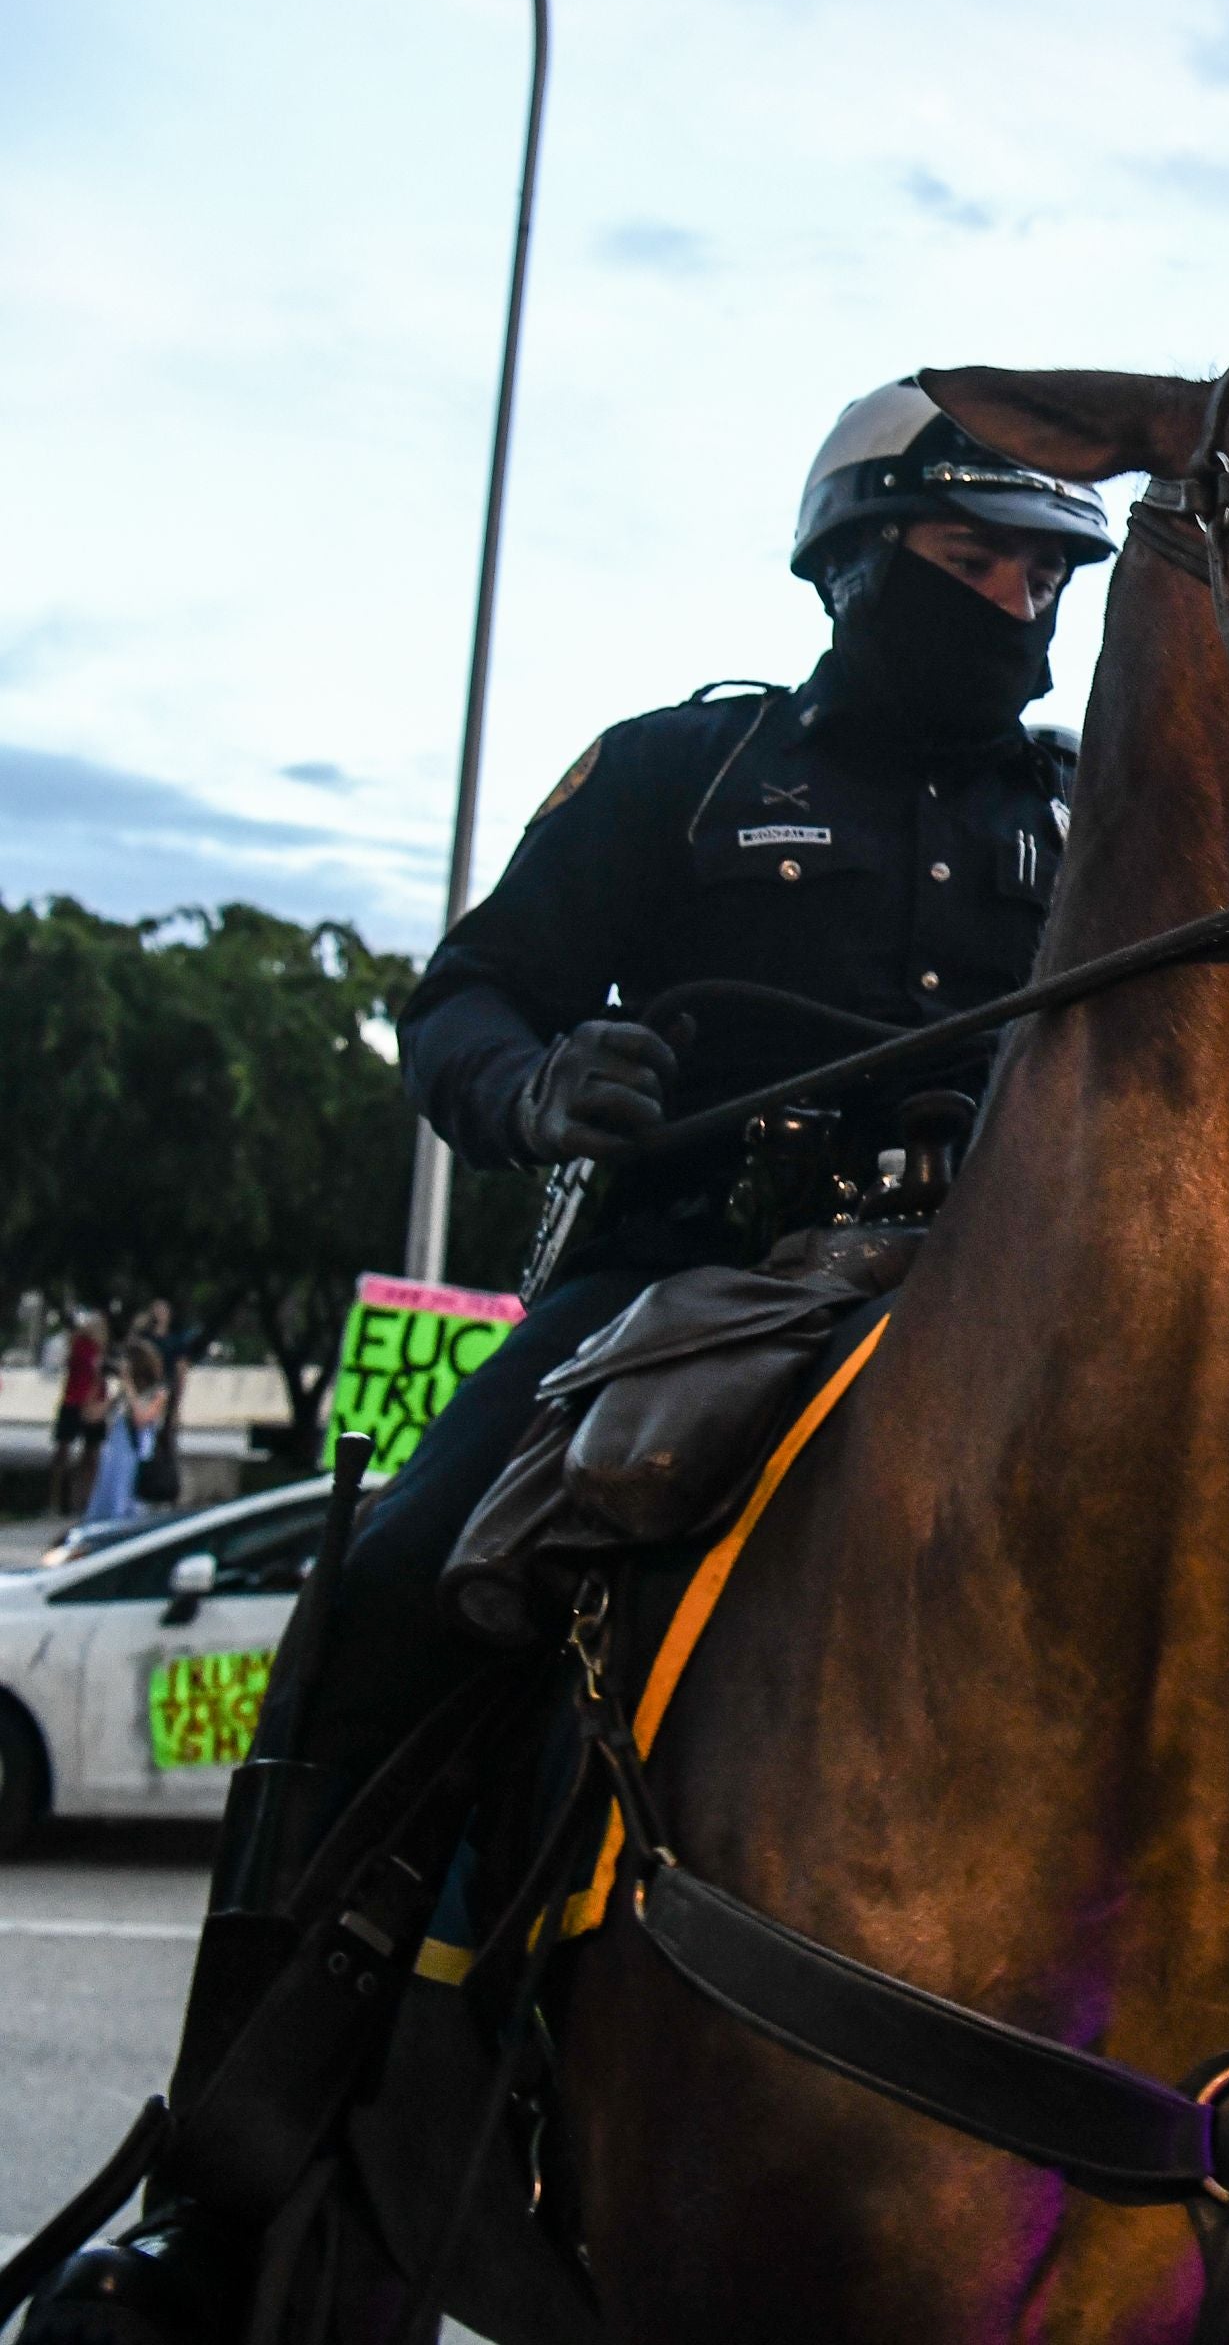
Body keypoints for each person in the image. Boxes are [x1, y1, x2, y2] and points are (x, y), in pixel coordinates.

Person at [34, 379, 1111, 2345]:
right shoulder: (679, 774)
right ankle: (232, 2178)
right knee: (375, 1605)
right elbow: (468, 995)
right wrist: (534, 1084)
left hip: (1004, 1306)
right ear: (857, 563)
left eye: (1047, 571)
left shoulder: (1086, 808)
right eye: (977, 560)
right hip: (680, 1280)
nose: (1020, 602)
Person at [83, 1341, 173, 1528]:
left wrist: (129, 1387)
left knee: (126, 1508)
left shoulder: (159, 1392)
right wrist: (99, 1382)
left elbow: (141, 1419)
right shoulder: (121, 1394)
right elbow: (90, 1416)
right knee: (106, 1504)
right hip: (113, 1459)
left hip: (136, 1459)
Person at [51, 1309, 107, 1510]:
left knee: (90, 1453)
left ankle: (84, 1499)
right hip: (73, 1399)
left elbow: (97, 1376)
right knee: (63, 1451)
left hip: (89, 1401)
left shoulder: (98, 1348)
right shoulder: (77, 1344)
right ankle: (59, 1499)